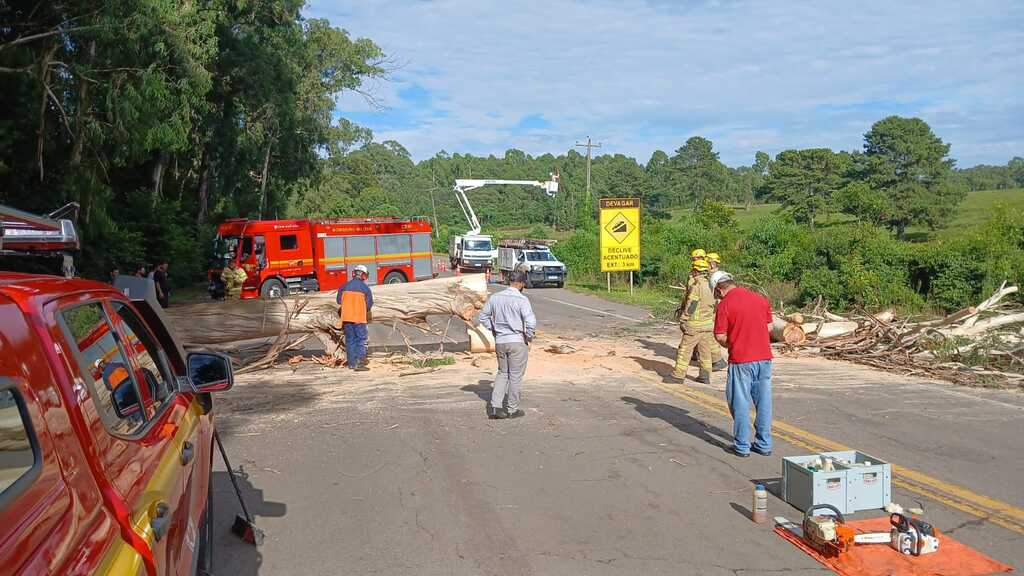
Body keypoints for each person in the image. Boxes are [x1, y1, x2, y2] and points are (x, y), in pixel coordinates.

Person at [712, 271, 774, 458]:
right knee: (763, 402)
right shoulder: (760, 299)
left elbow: (720, 336)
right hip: (764, 359)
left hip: (741, 360)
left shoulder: (725, 305)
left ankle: (742, 445)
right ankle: (763, 444)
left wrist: (734, 341)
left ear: (718, 289)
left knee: (739, 403)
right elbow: (769, 327)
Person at [478, 268, 536, 420]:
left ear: (509, 282)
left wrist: (494, 329)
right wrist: (528, 337)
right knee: (515, 376)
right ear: (521, 284)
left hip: (500, 341)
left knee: (502, 373)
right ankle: (512, 409)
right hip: (517, 341)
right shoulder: (522, 300)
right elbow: (530, 322)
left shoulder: (495, 297)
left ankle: (496, 407)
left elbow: (482, 317)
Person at [672, 254, 715, 383]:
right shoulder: (712, 285)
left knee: (684, 350)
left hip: (694, 326)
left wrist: (683, 319)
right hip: (708, 325)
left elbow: (692, 305)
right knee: (705, 352)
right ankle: (705, 376)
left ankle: (678, 376)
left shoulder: (697, 287)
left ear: (696, 271)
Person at [337, 264, 374, 371]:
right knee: (360, 340)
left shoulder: (344, 286)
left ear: (354, 274)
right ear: (363, 275)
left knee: (350, 340)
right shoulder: (365, 288)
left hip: (347, 318)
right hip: (359, 318)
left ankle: (351, 364)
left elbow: (339, 301)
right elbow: (369, 305)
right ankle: (360, 364)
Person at [704, 252, 727, 372]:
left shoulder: (716, 277)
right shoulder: (716, 275)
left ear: (712, 264)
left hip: (713, 308)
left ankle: (717, 360)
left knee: (709, 333)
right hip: (711, 307)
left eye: (707, 263)